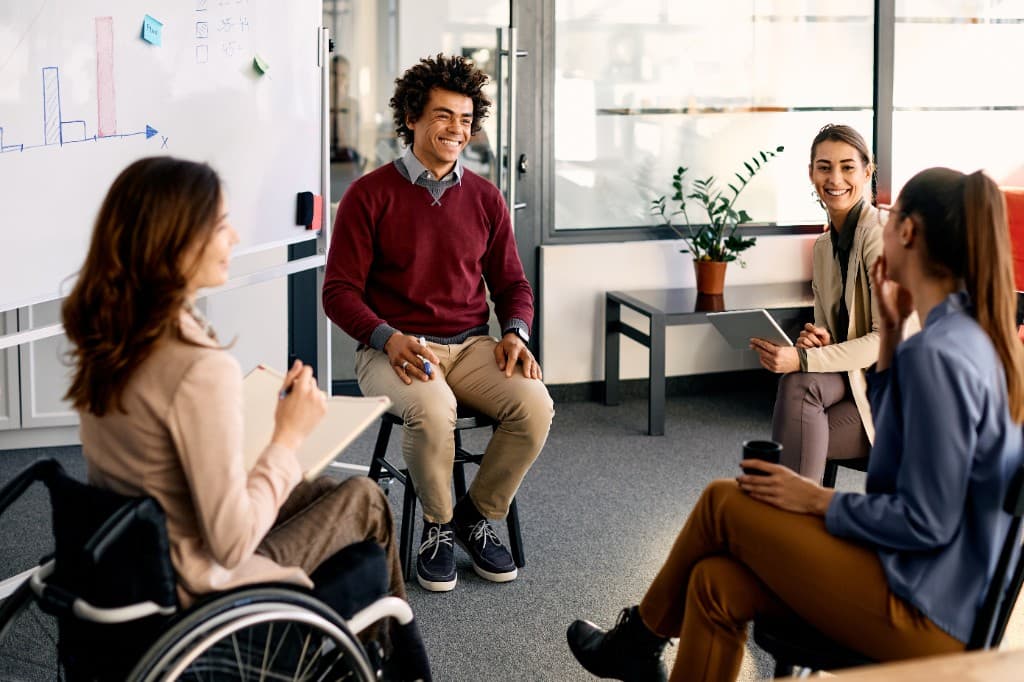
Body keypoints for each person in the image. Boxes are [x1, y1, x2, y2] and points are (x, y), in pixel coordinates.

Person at [566, 166, 1024, 681]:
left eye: (891, 219)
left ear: (909, 233)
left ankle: (637, 641)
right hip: (942, 589)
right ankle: (638, 644)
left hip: (924, 607)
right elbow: (895, 474)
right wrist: (892, 335)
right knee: (715, 582)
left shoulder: (938, 355)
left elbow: (923, 520)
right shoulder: (970, 336)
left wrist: (814, 499)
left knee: (724, 502)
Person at [61, 156, 429, 680]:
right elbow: (230, 542)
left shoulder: (111, 333)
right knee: (365, 499)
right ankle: (402, 663)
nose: (234, 236)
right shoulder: (196, 367)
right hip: (198, 577)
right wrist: (286, 436)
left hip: (140, 553)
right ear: (174, 241)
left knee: (327, 492)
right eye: (219, 224)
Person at [322, 53, 554, 593]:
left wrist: (516, 332)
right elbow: (338, 293)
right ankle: (438, 526)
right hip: (390, 348)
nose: (457, 130)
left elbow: (514, 286)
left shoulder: (485, 198)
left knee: (535, 404)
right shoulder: (368, 194)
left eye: (466, 120)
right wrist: (386, 336)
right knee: (434, 410)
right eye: (444, 116)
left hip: (471, 346)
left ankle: (476, 514)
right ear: (412, 119)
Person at [750, 124, 888, 484]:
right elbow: (832, 330)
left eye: (847, 167)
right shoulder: (824, 248)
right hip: (854, 376)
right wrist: (818, 340)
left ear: (867, 172)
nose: (835, 178)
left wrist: (803, 357)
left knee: (799, 408)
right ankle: (794, 520)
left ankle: (789, 518)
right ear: (811, 173)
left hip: (896, 389)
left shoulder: (881, 238)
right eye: (824, 167)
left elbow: (884, 340)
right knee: (798, 387)